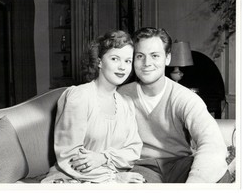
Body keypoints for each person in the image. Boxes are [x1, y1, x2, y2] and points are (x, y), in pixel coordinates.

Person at [118, 27, 230, 183]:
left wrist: (196, 181)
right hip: (142, 168)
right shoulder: (121, 96)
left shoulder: (185, 98)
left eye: (155, 56)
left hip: (180, 164)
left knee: (220, 175)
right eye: (140, 56)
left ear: (168, 58)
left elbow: (212, 142)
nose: (147, 63)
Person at [41, 30, 144, 183]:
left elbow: (133, 151)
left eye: (128, 61)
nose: (123, 67)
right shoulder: (79, 96)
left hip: (114, 178)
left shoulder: (126, 103)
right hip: (73, 178)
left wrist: (103, 157)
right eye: (115, 59)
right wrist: (113, 178)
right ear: (99, 61)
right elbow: (70, 156)